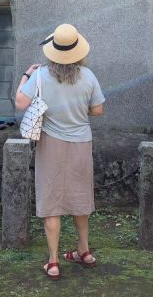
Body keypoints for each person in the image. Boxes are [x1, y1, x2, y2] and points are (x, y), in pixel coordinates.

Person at [15, 23, 105, 280]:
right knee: (80, 198)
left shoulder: (40, 75)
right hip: (81, 143)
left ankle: (53, 261)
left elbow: (20, 102)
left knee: (51, 201)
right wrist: (77, 110)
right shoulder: (88, 76)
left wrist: (25, 75)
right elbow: (98, 109)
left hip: (50, 143)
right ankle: (84, 251)